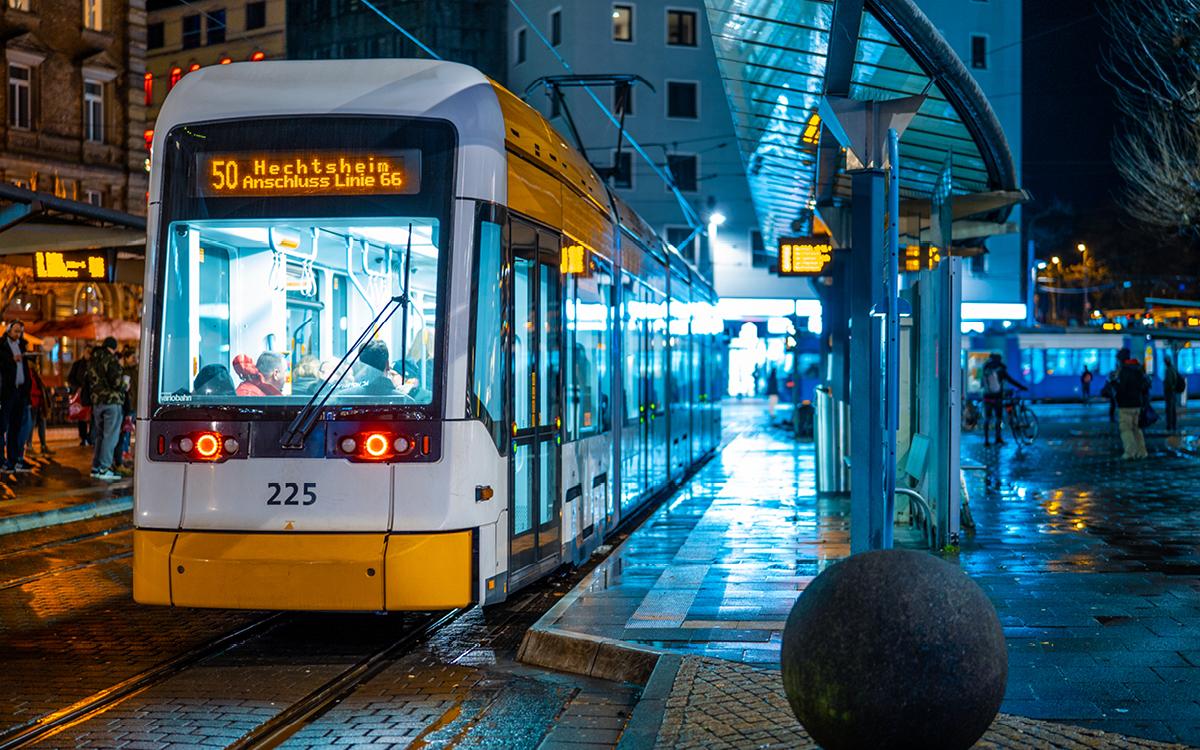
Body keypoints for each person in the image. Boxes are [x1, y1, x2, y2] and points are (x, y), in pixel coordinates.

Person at [87, 337, 127, 481]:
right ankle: (105, 468)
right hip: (111, 401)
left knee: (100, 435)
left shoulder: (92, 359)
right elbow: (116, 382)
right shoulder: (111, 360)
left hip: (97, 402)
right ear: (113, 347)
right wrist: (125, 385)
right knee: (110, 436)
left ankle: (96, 467)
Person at [0, 321, 34, 472]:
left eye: (20, 332)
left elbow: (25, 370)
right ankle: (2, 461)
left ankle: (14, 460)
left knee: (16, 427)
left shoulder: (21, 345)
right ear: (8, 331)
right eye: (15, 331)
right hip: (7, 392)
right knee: (2, 427)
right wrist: (11, 360)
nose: (17, 334)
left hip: (20, 392)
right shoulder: (2, 346)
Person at [981, 352, 1026, 446]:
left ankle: (986, 441)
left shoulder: (986, 368)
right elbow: (1010, 380)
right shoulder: (1001, 369)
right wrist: (1022, 387)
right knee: (998, 418)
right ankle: (998, 438)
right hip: (997, 397)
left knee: (987, 419)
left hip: (986, 397)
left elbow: (982, 383)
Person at [1114, 347, 1149, 460]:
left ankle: (1130, 453)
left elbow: (1122, 388)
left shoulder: (1124, 371)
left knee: (1126, 429)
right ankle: (1142, 452)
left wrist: (1114, 384)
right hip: (1137, 404)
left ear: (1121, 359)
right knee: (1137, 429)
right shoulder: (1137, 368)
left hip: (1125, 405)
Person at [112, 347, 137, 473]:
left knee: (129, 433)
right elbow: (125, 391)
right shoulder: (121, 372)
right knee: (123, 433)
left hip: (132, 406)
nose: (135, 359)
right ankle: (120, 458)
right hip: (127, 406)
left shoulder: (137, 370)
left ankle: (122, 458)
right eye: (132, 357)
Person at [25, 355, 51, 455]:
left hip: (39, 403)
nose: (37, 364)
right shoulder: (30, 373)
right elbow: (32, 389)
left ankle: (43, 445)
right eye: (35, 362)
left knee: (42, 423)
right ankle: (29, 446)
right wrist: (41, 393)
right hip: (33, 402)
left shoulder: (35, 373)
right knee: (31, 424)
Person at [67, 347, 92, 446]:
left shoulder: (95, 365)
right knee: (81, 416)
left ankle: (90, 437)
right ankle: (83, 437)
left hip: (91, 394)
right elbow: (71, 378)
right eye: (87, 351)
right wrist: (78, 387)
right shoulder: (77, 365)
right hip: (81, 394)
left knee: (91, 416)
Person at [1163, 354, 1183, 434]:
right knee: (1172, 409)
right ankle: (1173, 425)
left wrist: (1169, 388)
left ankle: (1170, 425)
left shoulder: (1169, 370)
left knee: (1169, 410)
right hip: (1172, 393)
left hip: (1169, 393)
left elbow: (1170, 383)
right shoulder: (1173, 369)